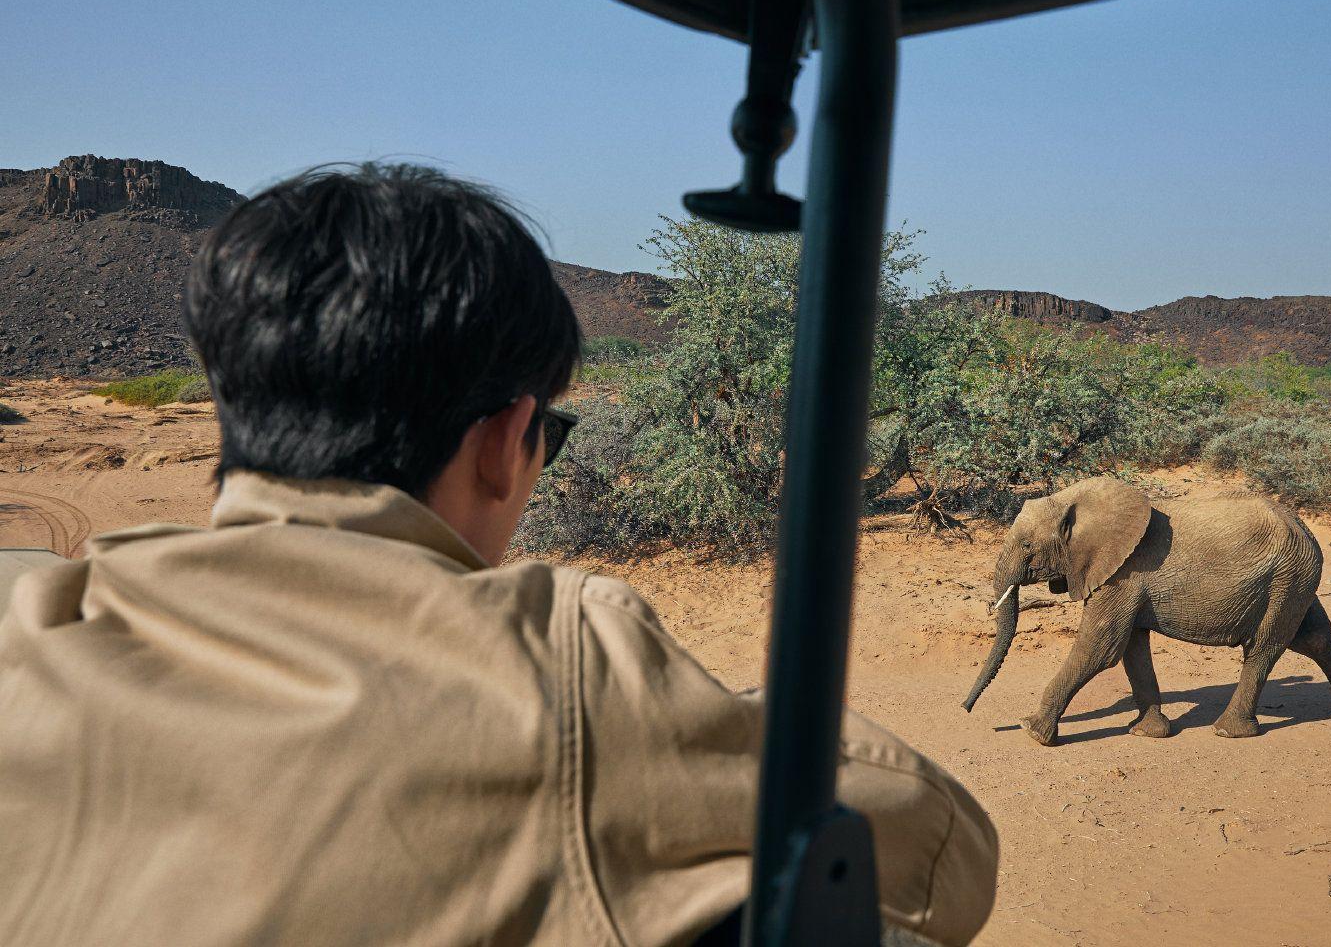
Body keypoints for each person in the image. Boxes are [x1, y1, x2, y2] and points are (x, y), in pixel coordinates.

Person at [0, 164, 997, 947]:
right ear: (504, 440)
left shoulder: (33, 621)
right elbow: (942, 851)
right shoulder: (564, 678)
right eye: (547, 441)